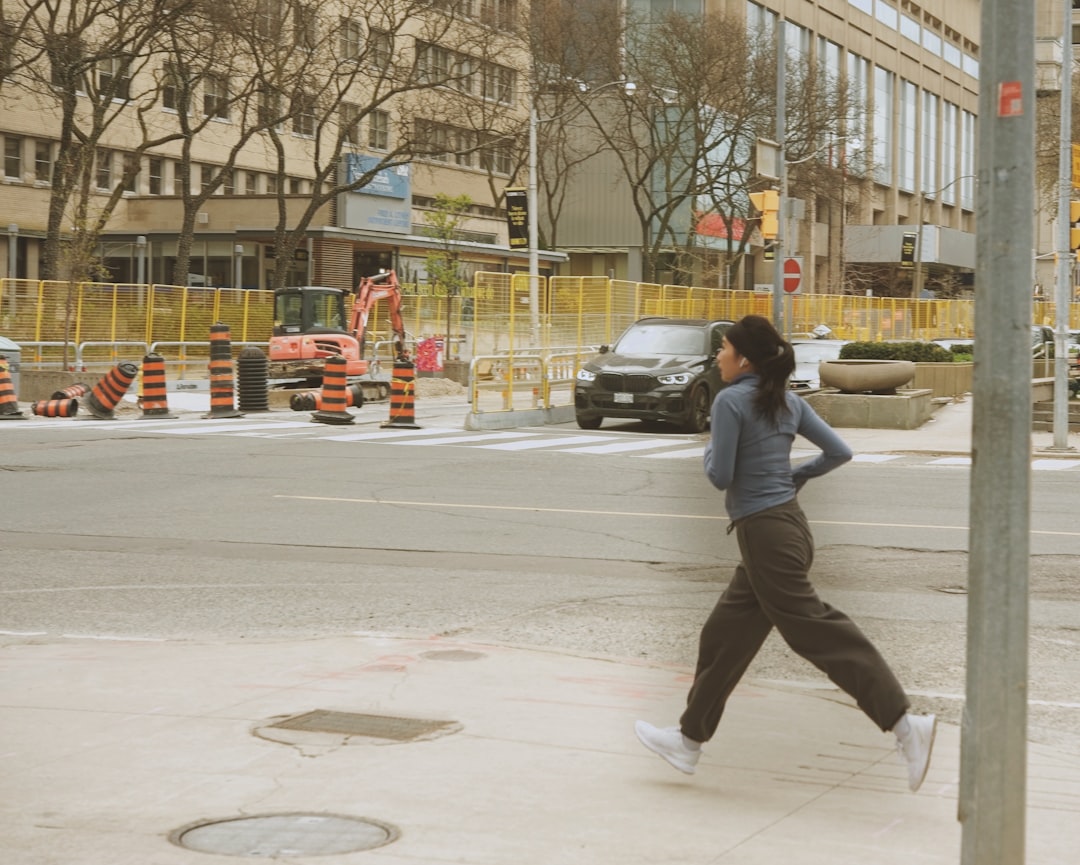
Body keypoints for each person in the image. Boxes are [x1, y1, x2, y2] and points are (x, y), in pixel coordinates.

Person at [635, 314, 936, 792]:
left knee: (815, 629)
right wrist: (798, 475)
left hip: (765, 533)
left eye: (724, 349)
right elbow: (839, 452)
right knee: (724, 634)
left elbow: (720, 476)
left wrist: (709, 448)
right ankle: (688, 740)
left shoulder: (731, 401)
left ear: (744, 359)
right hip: (788, 525)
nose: (719, 356)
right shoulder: (788, 401)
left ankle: (903, 723)